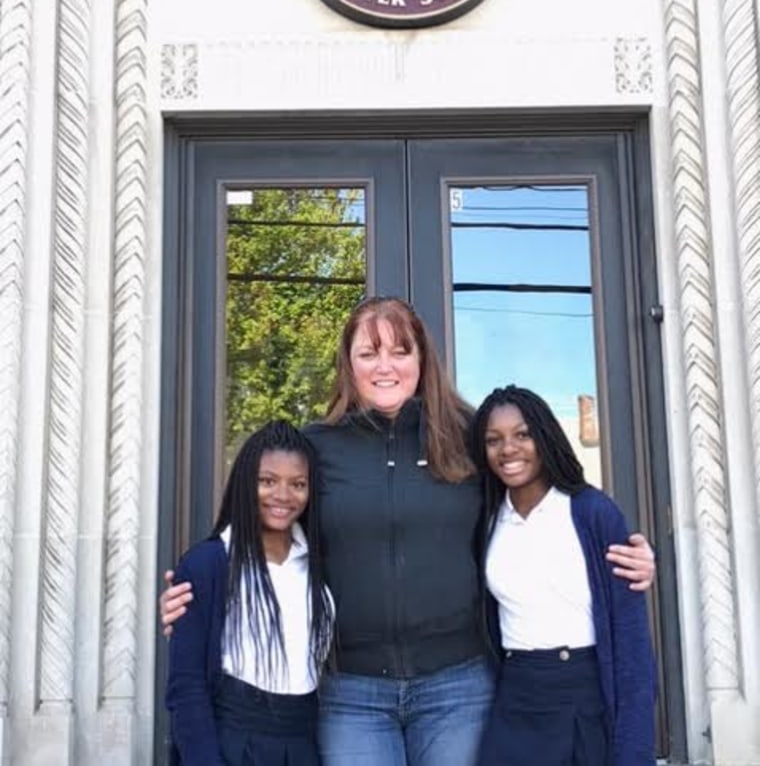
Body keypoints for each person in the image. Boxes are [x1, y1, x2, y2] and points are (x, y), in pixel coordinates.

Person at [161, 297, 656, 766]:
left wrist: (614, 545)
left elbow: (536, 495)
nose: (385, 366)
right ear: (348, 363)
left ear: (422, 359)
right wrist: (200, 589)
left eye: (401, 350)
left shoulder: (467, 436)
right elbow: (267, 523)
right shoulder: (318, 447)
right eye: (369, 352)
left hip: (458, 686)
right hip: (352, 692)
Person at [471, 385, 657, 766]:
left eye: (522, 434)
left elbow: (631, 642)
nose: (508, 449)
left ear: (545, 435)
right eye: (494, 440)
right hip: (516, 695)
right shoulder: (487, 520)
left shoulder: (591, 512)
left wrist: (635, 750)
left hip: (582, 695)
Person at [165, 420, 333, 765]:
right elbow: (187, 685)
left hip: (303, 742)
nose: (283, 496)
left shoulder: (321, 566)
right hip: (234, 741)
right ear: (245, 483)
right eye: (267, 481)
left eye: (298, 484)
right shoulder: (208, 565)